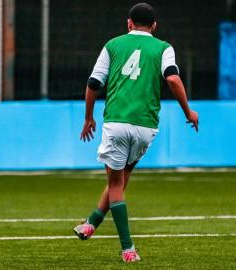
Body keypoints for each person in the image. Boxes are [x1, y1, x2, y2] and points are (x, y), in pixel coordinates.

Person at [73, 3, 199, 262]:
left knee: (116, 183)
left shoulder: (113, 45)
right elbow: (173, 79)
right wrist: (188, 112)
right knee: (122, 178)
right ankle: (91, 222)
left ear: (128, 23)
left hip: (117, 121)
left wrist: (88, 118)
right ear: (154, 26)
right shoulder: (164, 47)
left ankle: (127, 248)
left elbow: (93, 84)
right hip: (146, 125)